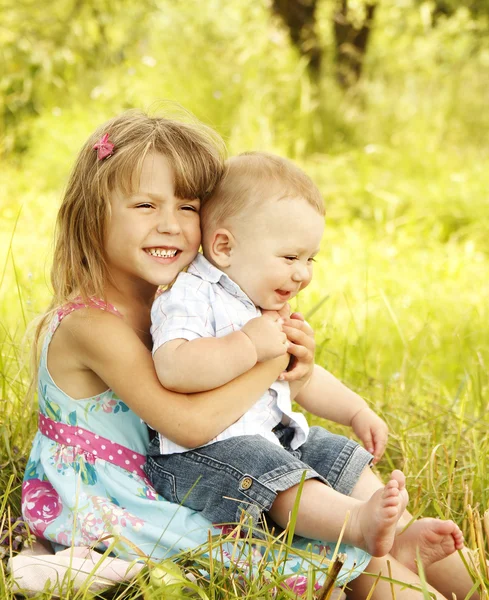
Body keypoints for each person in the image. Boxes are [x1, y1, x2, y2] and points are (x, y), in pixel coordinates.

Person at [20, 110, 370, 593]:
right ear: (93, 210)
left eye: (187, 207)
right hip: (116, 502)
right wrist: (264, 358)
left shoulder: (181, 307)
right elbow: (187, 425)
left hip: (182, 476)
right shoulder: (92, 325)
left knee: (365, 548)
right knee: (309, 560)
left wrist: (296, 368)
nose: (170, 225)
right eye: (145, 205)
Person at [147, 152, 478, 599]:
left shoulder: (264, 302)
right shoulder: (191, 294)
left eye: (310, 260)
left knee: (326, 448)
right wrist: (248, 345)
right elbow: (173, 366)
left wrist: (355, 410)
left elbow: (301, 378)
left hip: (270, 441)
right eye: (290, 257)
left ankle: (398, 534)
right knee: (269, 465)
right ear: (225, 247)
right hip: (203, 458)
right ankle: (359, 523)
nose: (302, 273)